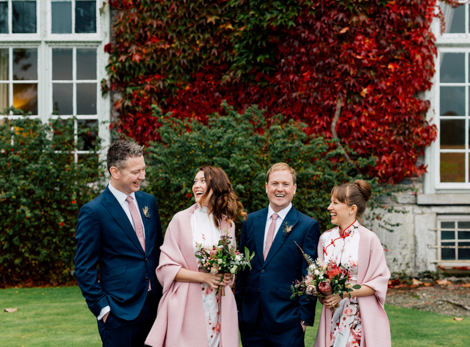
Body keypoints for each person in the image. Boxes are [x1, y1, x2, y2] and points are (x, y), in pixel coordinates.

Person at [74, 140, 164, 347]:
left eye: (143, 169)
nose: (142, 176)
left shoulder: (148, 201)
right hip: (119, 312)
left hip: (157, 306)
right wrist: (103, 309)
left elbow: (157, 250)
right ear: (114, 171)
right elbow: (84, 266)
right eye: (135, 171)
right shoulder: (93, 211)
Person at [145, 166, 244, 347]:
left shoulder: (227, 224)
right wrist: (204, 277)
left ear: (216, 186)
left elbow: (231, 264)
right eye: (194, 181)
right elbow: (165, 268)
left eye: (202, 181)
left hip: (219, 302)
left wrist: (228, 275)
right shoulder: (180, 220)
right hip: (187, 303)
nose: (196, 185)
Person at [235, 162, 321, 347]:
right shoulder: (250, 221)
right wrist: (238, 310)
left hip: (288, 322)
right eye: (274, 183)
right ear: (266, 187)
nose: (279, 189)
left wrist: (304, 319)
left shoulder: (307, 226)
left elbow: (310, 275)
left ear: (294, 188)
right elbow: (243, 269)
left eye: (285, 184)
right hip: (251, 321)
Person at [314, 180, 391, 347]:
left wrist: (343, 293)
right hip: (333, 315)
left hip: (359, 317)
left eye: (335, 203)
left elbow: (378, 283)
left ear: (352, 209)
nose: (329, 207)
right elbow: (320, 276)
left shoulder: (369, 239)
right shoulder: (325, 239)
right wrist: (322, 292)